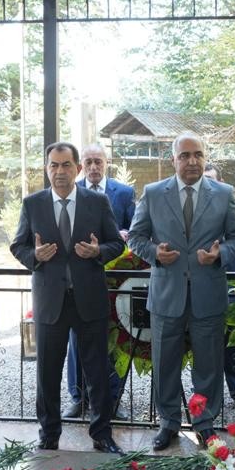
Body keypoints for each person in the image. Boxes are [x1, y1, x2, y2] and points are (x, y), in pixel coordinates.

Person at [128, 133, 235, 450]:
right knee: (165, 363)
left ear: (205, 157)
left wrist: (220, 254)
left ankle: (204, 423)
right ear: (174, 160)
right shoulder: (153, 193)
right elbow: (136, 237)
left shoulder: (223, 194)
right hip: (167, 294)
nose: (192, 161)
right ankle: (168, 423)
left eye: (197, 154)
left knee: (208, 365)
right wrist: (155, 253)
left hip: (208, 294)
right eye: (185, 155)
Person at [11, 142, 126, 453]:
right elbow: (17, 246)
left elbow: (117, 244)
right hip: (51, 304)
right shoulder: (32, 204)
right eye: (53, 165)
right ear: (47, 169)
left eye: (65, 165)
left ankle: (102, 434)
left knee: (97, 373)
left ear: (77, 168)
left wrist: (98, 251)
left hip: (89, 301)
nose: (59, 172)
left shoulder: (97, 202)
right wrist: (34, 255)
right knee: (48, 374)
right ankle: (48, 435)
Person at [63, 142, 137, 419]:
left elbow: (136, 228)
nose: (94, 167)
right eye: (89, 162)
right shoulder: (71, 190)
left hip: (115, 278)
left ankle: (112, 399)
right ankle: (78, 397)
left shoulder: (124, 192)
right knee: (76, 340)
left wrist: (125, 234)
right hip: (79, 278)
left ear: (107, 163)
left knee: (115, 338)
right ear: (81, 165)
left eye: (99, 162)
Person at [204, 163, 235, 414]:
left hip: (231, 286)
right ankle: (205, 399)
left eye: (213, 180)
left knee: (233, 345)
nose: (209, 186)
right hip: (201, 287)